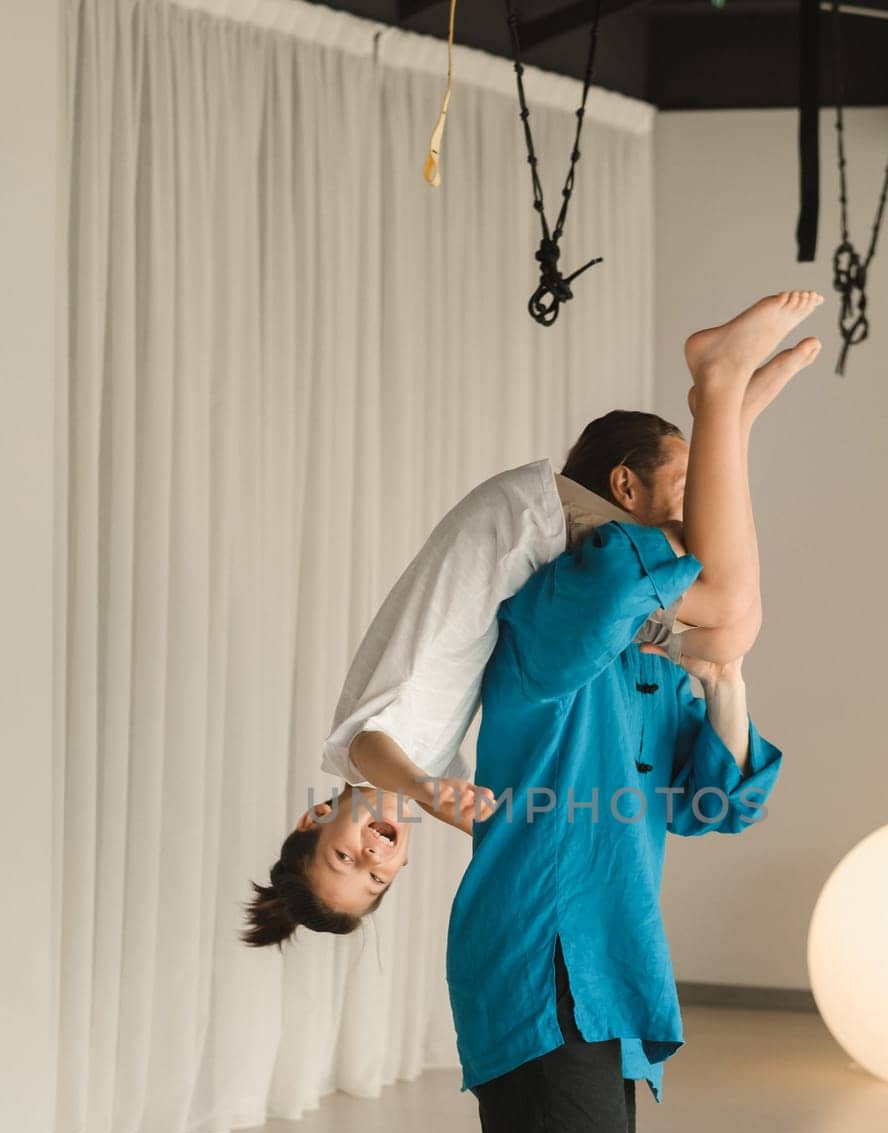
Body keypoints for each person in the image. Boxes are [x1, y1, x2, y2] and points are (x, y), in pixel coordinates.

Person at [446, 291, 818, 1133]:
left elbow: (713, 798)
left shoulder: (646, 652)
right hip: (540, 957)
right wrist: (726, 402)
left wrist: (725, 683)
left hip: (607, 963)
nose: (691, 522)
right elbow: (705, 590)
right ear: (621, 493)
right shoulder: (557, 611)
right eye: (675, 492)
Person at [238, 291, 821, 953]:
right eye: (376, 878)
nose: (373, 856)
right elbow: (498, 790)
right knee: (713, 622)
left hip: (520, 530)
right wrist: (455, 804)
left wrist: (431, 795)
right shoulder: (427, 767)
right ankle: (728, 419)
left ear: (317, 816)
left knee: (720, 612)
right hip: (530, 558)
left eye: (344, 857)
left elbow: (373, 748)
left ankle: (721, 387)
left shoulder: (364, 758)